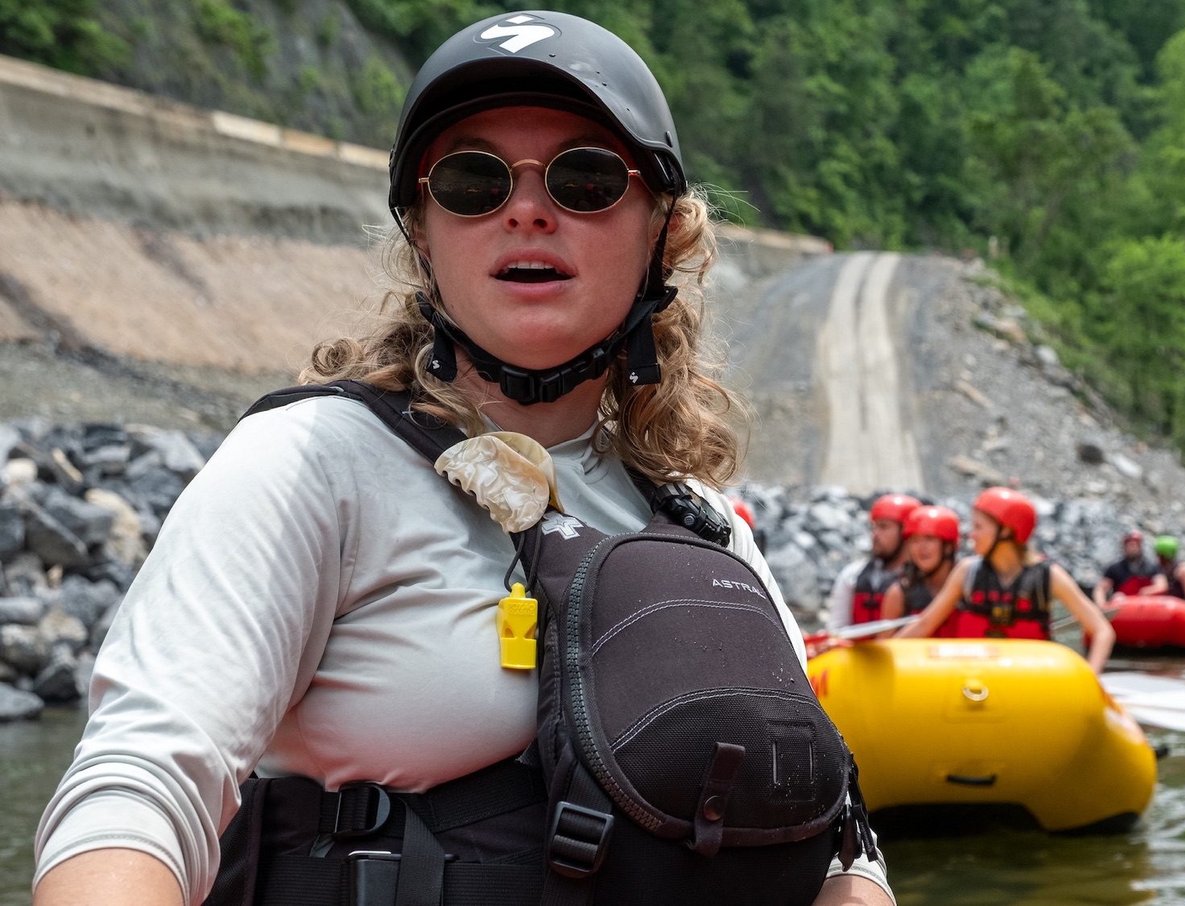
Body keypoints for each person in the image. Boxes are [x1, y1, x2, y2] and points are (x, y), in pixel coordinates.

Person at [33, 11, 891, 906]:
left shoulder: (702, 526)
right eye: (473, 180)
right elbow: (138, 782)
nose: (527, 208)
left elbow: (842, 852)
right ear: (423, 235)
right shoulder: (312, 463)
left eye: (587, 179)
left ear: (661, 232)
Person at [894, 488, 1114, 672]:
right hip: (975, 685)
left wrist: (1091, 677)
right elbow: (924, 624)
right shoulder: (967, 572)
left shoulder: (1048, 576)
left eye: (979, 527)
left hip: (1027, 686)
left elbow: (1102, 631)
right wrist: (886, 650)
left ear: (1006, 531)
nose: (972, 534)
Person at [825, 492, 919, 631]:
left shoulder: (926, 580)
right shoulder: (852, 575)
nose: (875, 534)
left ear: (906, 532)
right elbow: (836, 630)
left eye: (884, 527)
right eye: (874, 527)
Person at [880, 504, 960, 637]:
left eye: (929, 539)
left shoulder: (968, 589)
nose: (921, 548)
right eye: (915, 540)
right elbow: (884, 645)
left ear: (948, 547)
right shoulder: (899, 594)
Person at [1091, 530, 1168, 607]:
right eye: (1129, 545)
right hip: (1123, 605)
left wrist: (1143, 593)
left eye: (1134, 545)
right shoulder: (1115, 568)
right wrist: (1102, 605)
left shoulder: (1152, 567)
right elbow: (1100, 589)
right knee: (1118, 596)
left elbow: (1161, 586)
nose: (1132, 548)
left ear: (1140, 546)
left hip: (1146, 606)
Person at [1153, 534, 1185, 601]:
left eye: (1159, 554)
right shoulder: (1163, 569)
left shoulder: (1181, 569)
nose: (1157, 558)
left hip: (1182, 605)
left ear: (1164, 555)